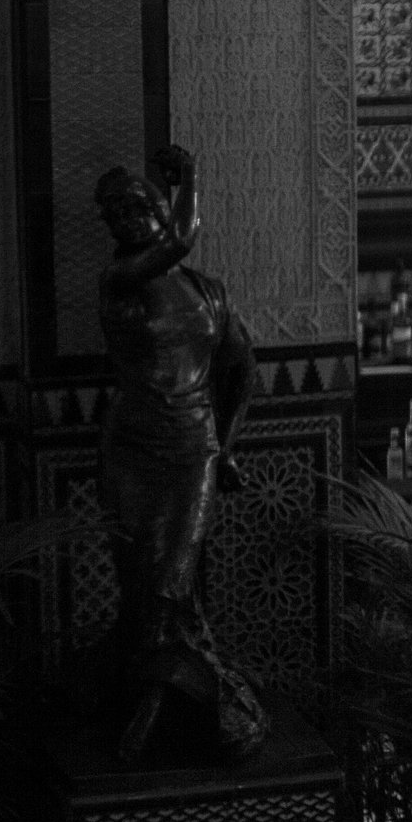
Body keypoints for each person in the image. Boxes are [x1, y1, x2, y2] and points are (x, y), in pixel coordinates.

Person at [92, 144, 268, 764]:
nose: (128, 219)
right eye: (115, 214)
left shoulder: (208, 293)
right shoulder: (121, 281)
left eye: (138, 205)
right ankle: (180, 705)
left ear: (160, 207)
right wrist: (192, 176)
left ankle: (177, 708)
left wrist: (228, 448)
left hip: (193, 449)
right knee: (143, 588)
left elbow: (244, 371)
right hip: (131, 451)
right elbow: (181, 242)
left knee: (171, 584)